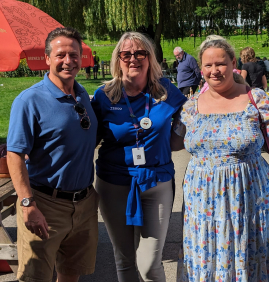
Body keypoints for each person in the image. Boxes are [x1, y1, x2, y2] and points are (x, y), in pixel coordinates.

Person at [174, 39, 269, 281]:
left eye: (221, 63)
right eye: (208, 65)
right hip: (203, 204)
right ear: (201, 69)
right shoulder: (191, 106)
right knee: (208, 262)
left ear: (233, 64)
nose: (214, 70)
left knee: (250, 260)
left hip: (252, 200)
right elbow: (172, 143)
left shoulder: (255, 99)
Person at [91, 31, 186, 282]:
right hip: (113, 184)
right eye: (126, 53)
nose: (133, 58)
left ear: (150, 57)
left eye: (140, 52)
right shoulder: (104, 95)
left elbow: (196, 115)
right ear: (118, 59)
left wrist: (237, 86)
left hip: (157, 182)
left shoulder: (167, 91)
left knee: (149, 265)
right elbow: (87, 135)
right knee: (124, 260)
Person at [7, 27, 99, 282]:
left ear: (82, 58)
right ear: (47, 58)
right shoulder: (29, 101)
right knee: (36, 277)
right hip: (45, 204)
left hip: (83, 202)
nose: (68, 61)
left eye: (74, 55)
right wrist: (28, 204)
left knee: (71, 272)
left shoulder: (82, 95)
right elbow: (15, 154)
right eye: (60, 55)